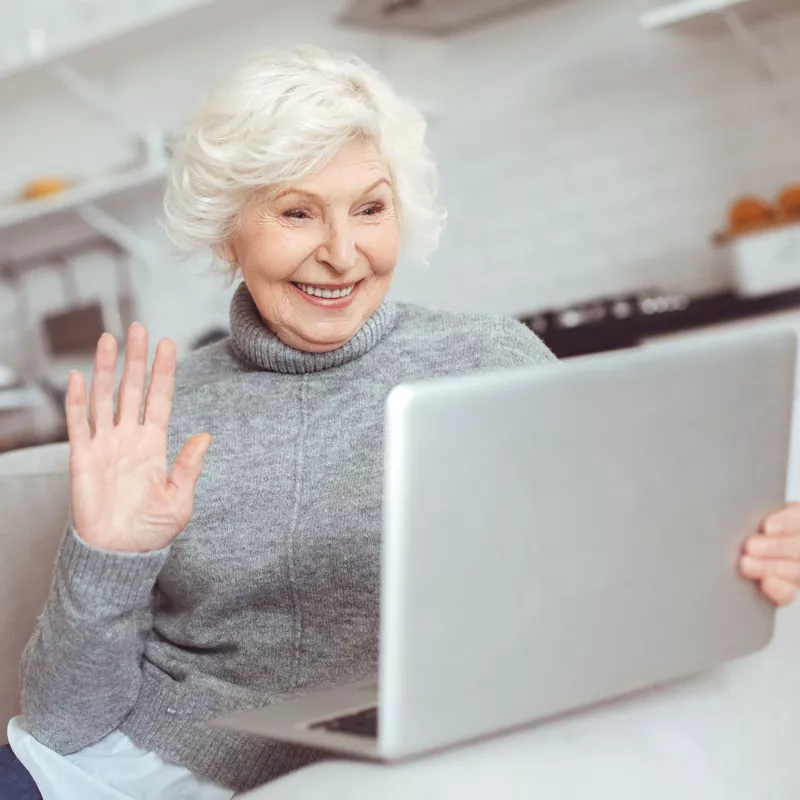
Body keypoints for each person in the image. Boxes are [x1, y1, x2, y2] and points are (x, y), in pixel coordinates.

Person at [3, 46, 800, 800]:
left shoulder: (484, 358)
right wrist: (107, 553)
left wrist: (736, 553)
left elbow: (603, 569)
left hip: (388, 765)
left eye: (370, 208)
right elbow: (63, 725)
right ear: (227, 230)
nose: (343, 254)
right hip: (146, 766)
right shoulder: (162, 410)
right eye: (298, 213)